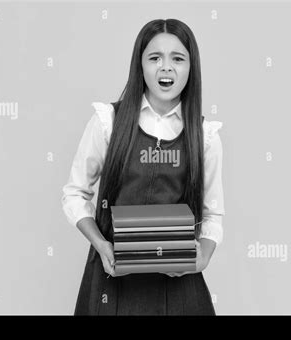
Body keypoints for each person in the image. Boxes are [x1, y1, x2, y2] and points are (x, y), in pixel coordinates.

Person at [61, 18, 225, 315]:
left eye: (178, 58)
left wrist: (203, 257)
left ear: (191, 67)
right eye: (155, 58)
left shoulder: (205, 137)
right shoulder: (107, 122)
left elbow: (213, 213)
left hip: (178, 286)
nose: (166, 67)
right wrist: (101, 244)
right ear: (141, 65)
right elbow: (74, 194)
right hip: (113, 282)